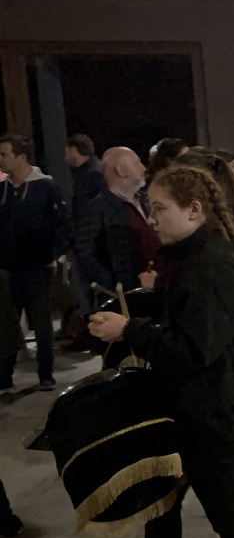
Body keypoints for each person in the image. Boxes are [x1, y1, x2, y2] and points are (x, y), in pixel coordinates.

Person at [88, 165, 234, 538]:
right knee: (160, 507)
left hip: (214, 412)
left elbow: (192, 350)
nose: (151, 219)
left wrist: (128, 330)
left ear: (194, 210)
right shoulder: (190, 257)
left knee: (227, 514)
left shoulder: (211, 265)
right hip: (185, 406)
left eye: (159, 208)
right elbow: (183, 314)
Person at [0, 134, 70, 392]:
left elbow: (61, 224)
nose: (0, 160)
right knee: (6, 325)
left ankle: (45, 374)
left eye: (4, 154)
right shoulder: (4, 190)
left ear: (21, 157)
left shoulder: (46, 187)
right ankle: (4, 377)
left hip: (37, 267)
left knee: (41, 324)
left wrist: (54, 255)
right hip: (7, 269)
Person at [75, 147, 160, 303]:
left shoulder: (147, 201)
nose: (143, 168)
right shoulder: (96, 209)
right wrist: (116, 286)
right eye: (137, 163)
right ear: (121, 170)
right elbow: (85, 255)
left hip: (158, 288)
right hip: (129, 297)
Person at [65, 134, 105, 224]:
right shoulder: (93, 170)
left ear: (74, 151)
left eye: (66, 153)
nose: (65, 158)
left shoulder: (94, 174)